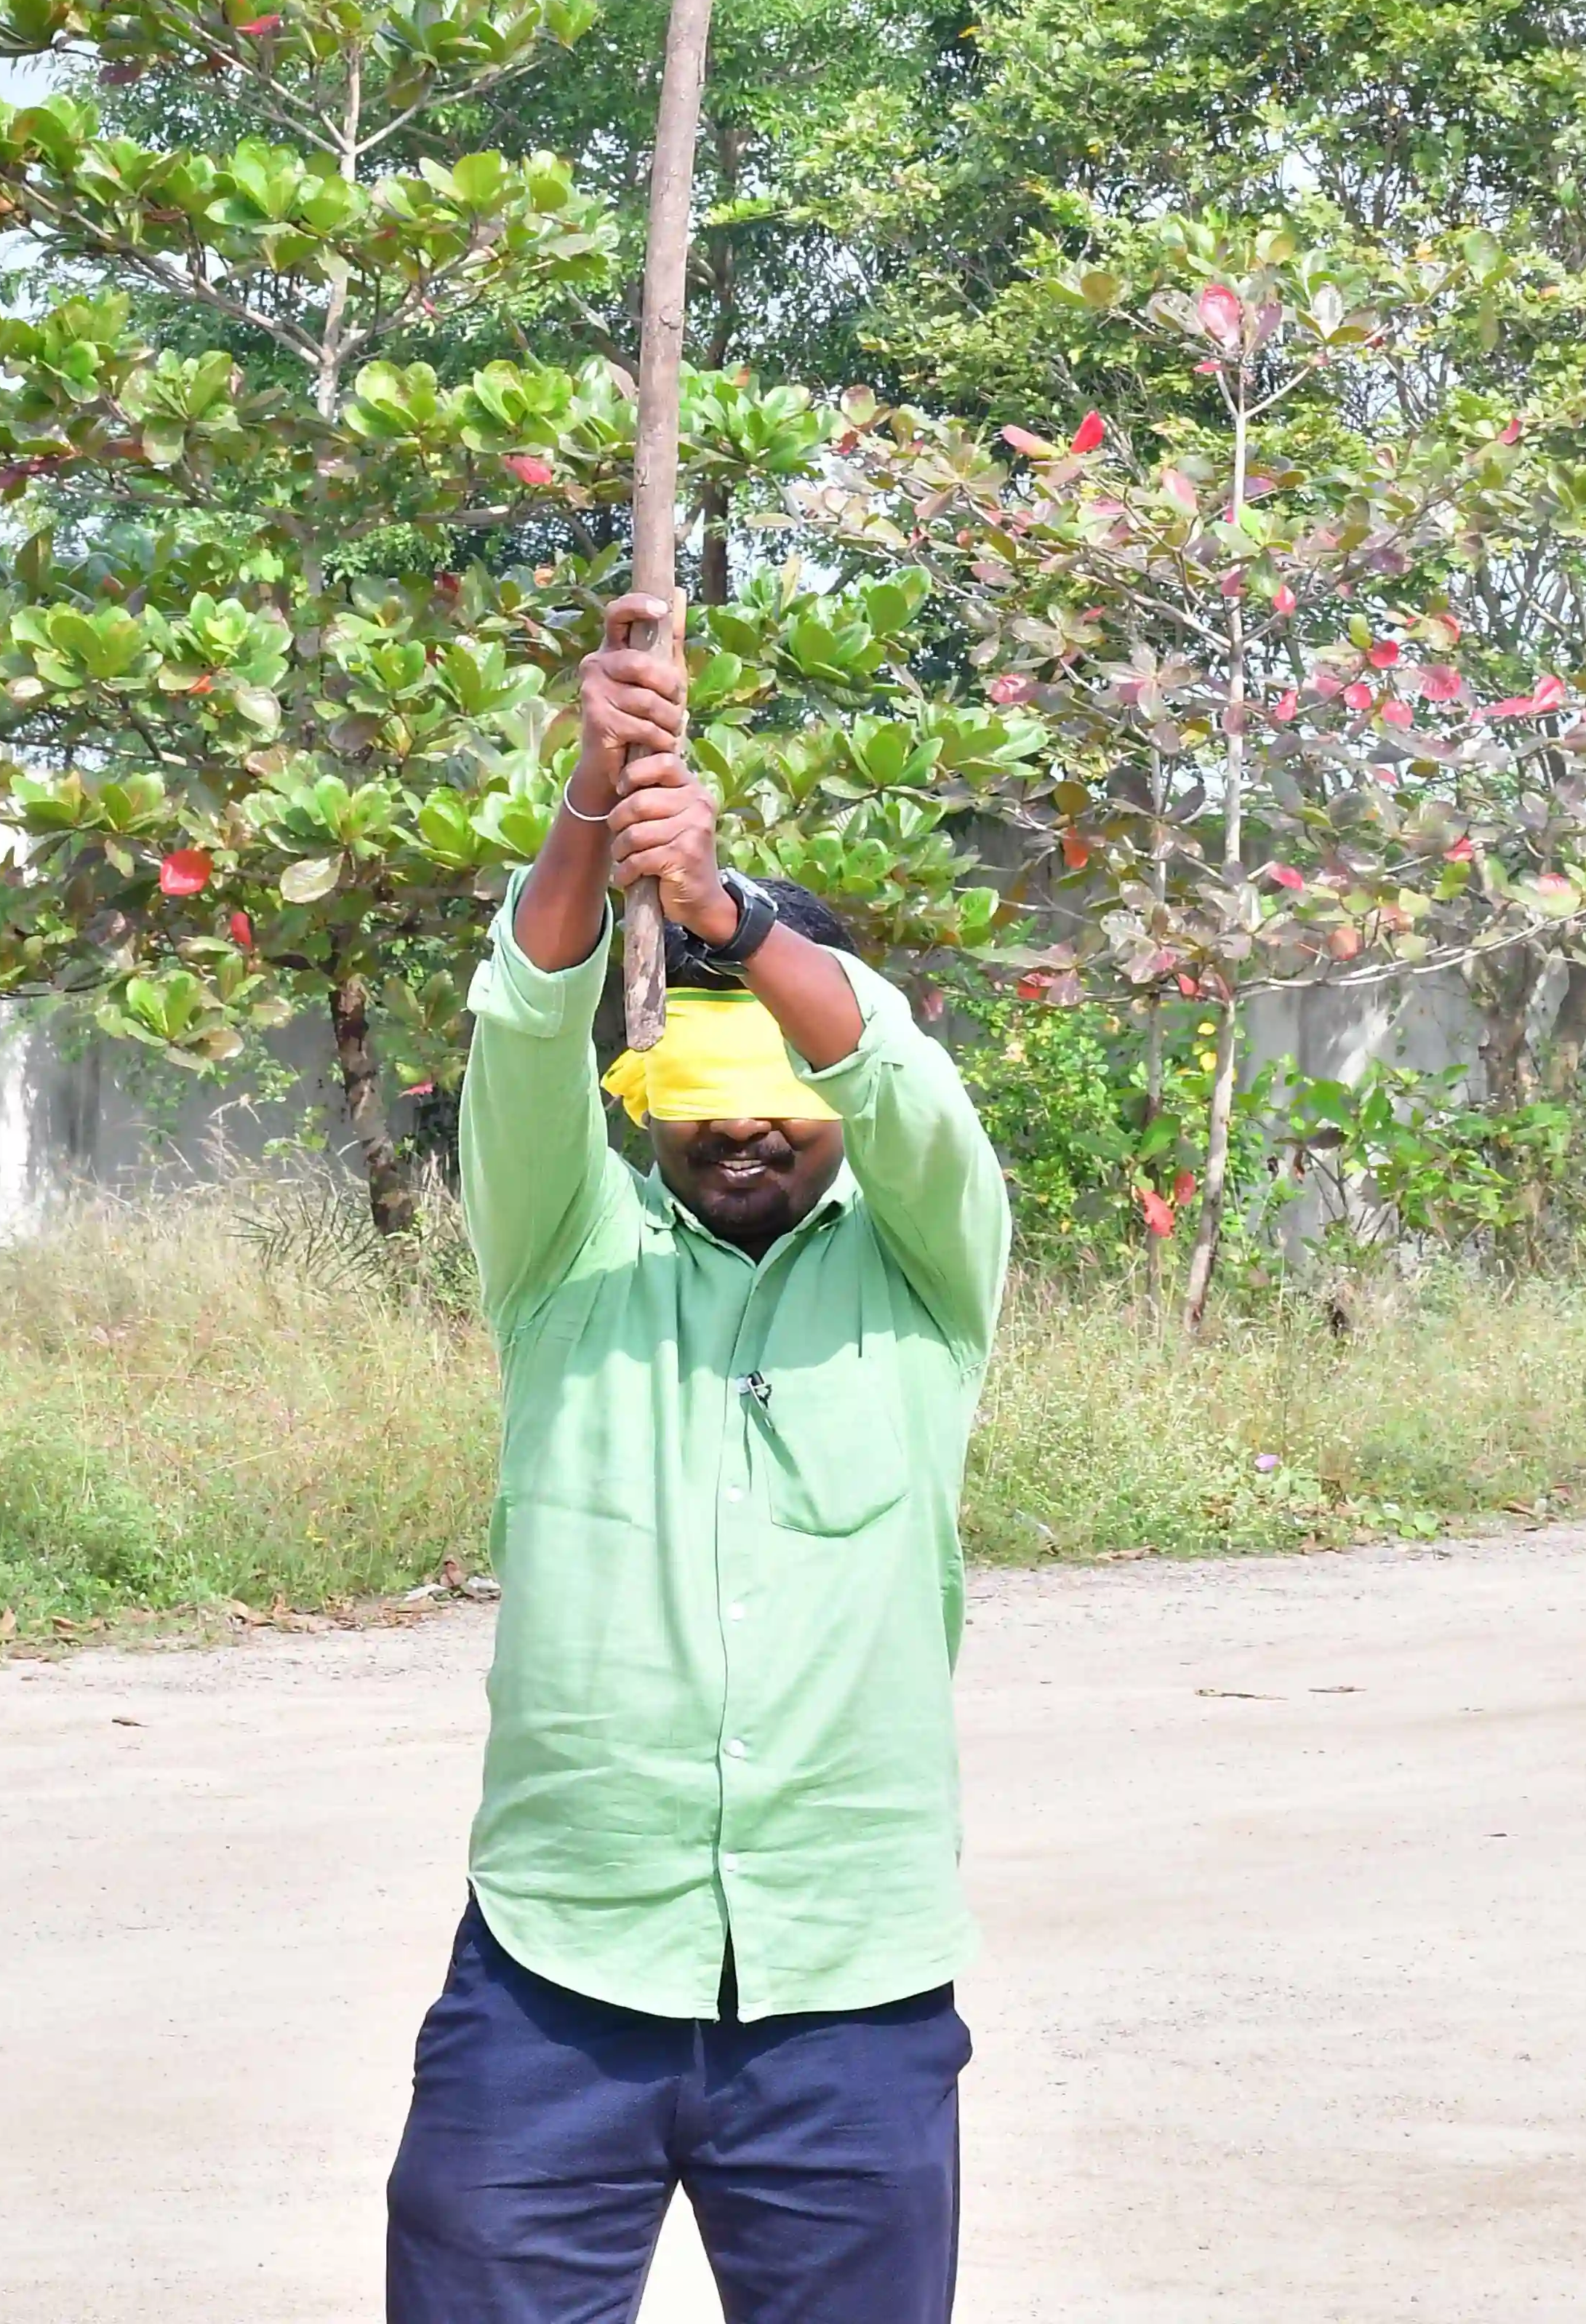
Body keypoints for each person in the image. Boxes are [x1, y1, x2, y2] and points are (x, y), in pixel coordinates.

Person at [385, 593, 1011, 2324]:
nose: (744, 1126)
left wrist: (728, 916)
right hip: (557, 1970)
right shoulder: (563, 1265)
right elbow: (523, 1030)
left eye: (781, 1096)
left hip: (849, 1986)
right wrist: (596, 799)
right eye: (706, 1093)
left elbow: (915, 1104)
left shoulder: (924, 1285)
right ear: (648, 1104)